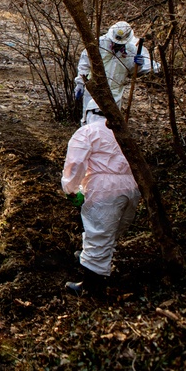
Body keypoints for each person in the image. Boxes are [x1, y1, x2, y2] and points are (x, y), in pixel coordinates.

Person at [61, 114, 141, 296]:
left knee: (98, 233)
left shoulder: (87, 132)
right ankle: (92, 258)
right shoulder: (123, 130)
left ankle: (91, 287)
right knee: (112, 231)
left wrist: (70, 188)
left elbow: (75, 165)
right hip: (131, 187)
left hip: (104, 190)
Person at [74, 21, 156, 124]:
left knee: (111, 122)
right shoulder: (98, 44)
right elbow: (84, 64)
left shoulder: (131, 50)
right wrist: (80, 82)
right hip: (95, 88)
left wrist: (138, 65)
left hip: (115, 91)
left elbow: (132, 71)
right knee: (89, 119)